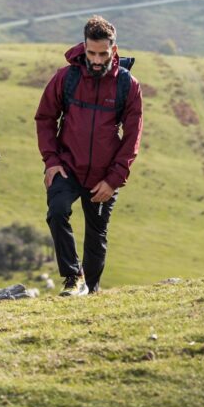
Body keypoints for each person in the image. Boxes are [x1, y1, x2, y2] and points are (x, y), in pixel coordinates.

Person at [34, 16, 143, 296]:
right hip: (67, 168)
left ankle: (91, 291)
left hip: (104, 175)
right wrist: (52, 161)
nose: (96, 60)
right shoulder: (65, 78)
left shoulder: (128, 86)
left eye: (103, 54)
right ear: (84, 48)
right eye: (91, 53)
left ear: (114, 51)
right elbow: (45, 118)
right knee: (57, 212)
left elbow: (132, 137)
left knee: (96, 235)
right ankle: (73, 277)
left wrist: (114, 180)